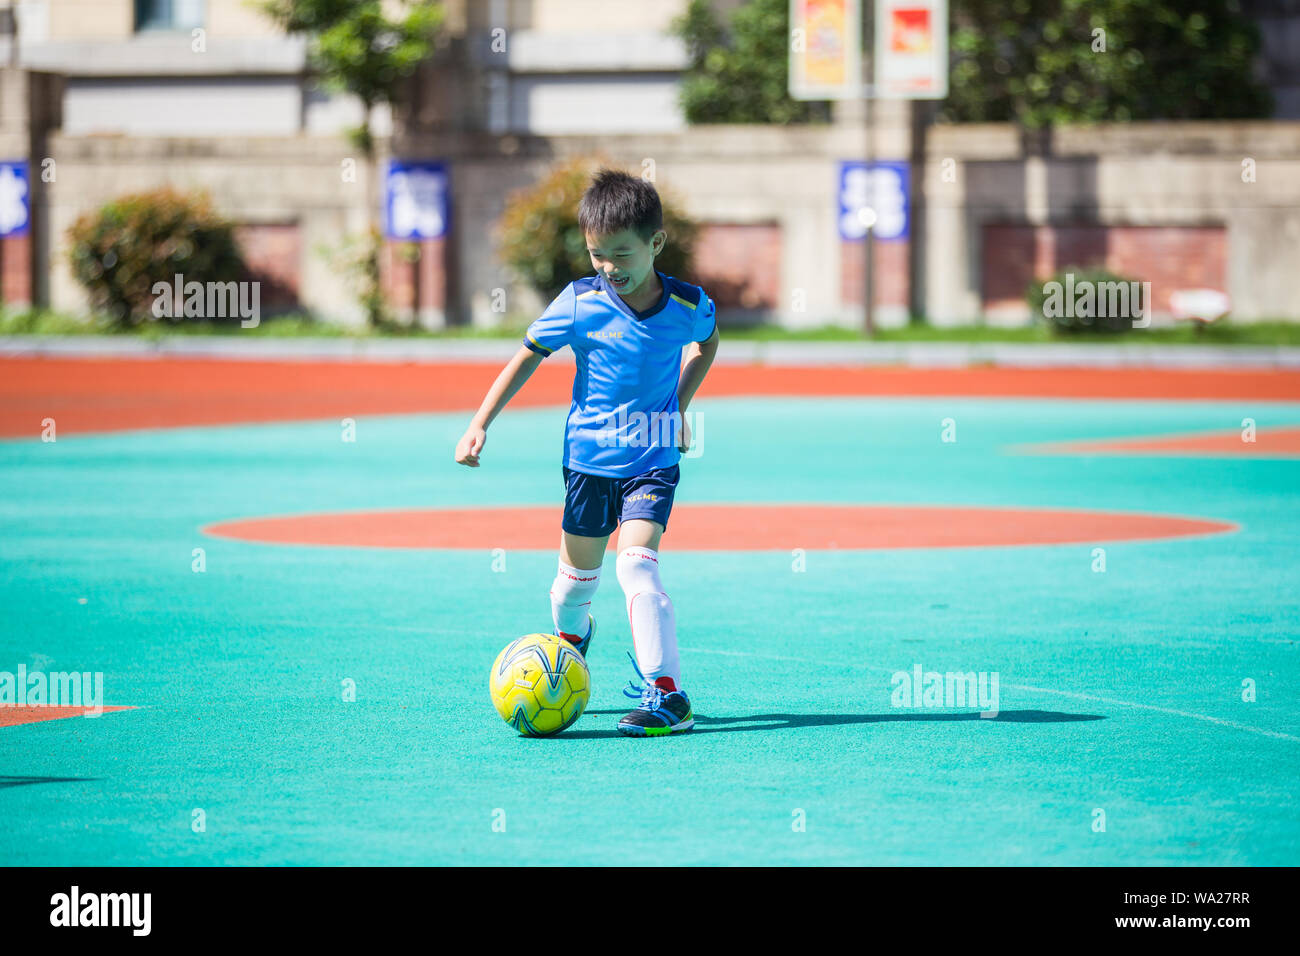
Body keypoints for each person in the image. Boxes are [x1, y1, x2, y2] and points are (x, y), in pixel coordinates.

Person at [455, 168, 719, 736]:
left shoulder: (688, 303)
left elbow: (707, 342)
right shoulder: (579, 302)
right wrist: (480, 424)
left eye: (621, 253)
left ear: (656, 244)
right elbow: (527, 354)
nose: (608, 267)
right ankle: (573, 639)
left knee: (636, 566)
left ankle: (668, 694)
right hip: (586, 463)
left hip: (652, 462)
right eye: (597, 254)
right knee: (575, 586)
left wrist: (677, 404)